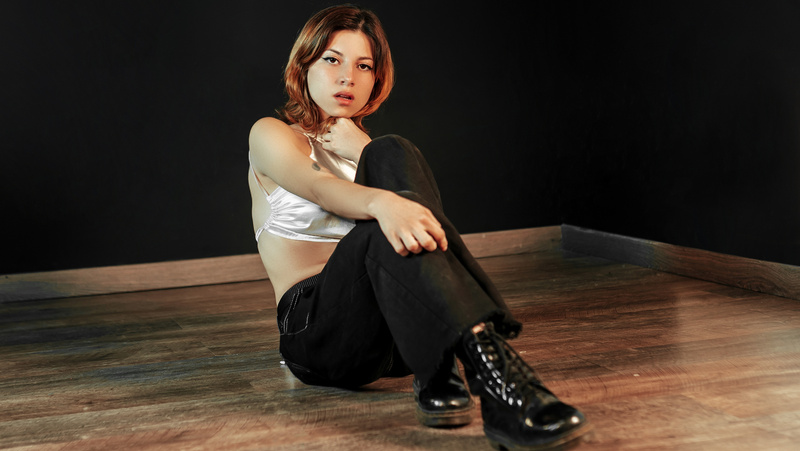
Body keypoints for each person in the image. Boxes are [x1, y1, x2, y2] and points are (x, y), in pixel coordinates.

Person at [247, 4, 591, 449]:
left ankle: (440, 368)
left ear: (376, 79)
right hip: (316, 332)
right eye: (332, 59)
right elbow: (319, 188)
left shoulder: (369, 151)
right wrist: (383, 202)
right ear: (304, 65)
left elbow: (419, 229)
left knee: (393, 149)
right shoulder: (271, 134)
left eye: (363, 66)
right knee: (380, 225)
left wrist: (365, 148)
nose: (347, 77)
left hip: (396, 338)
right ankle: (499, 381)